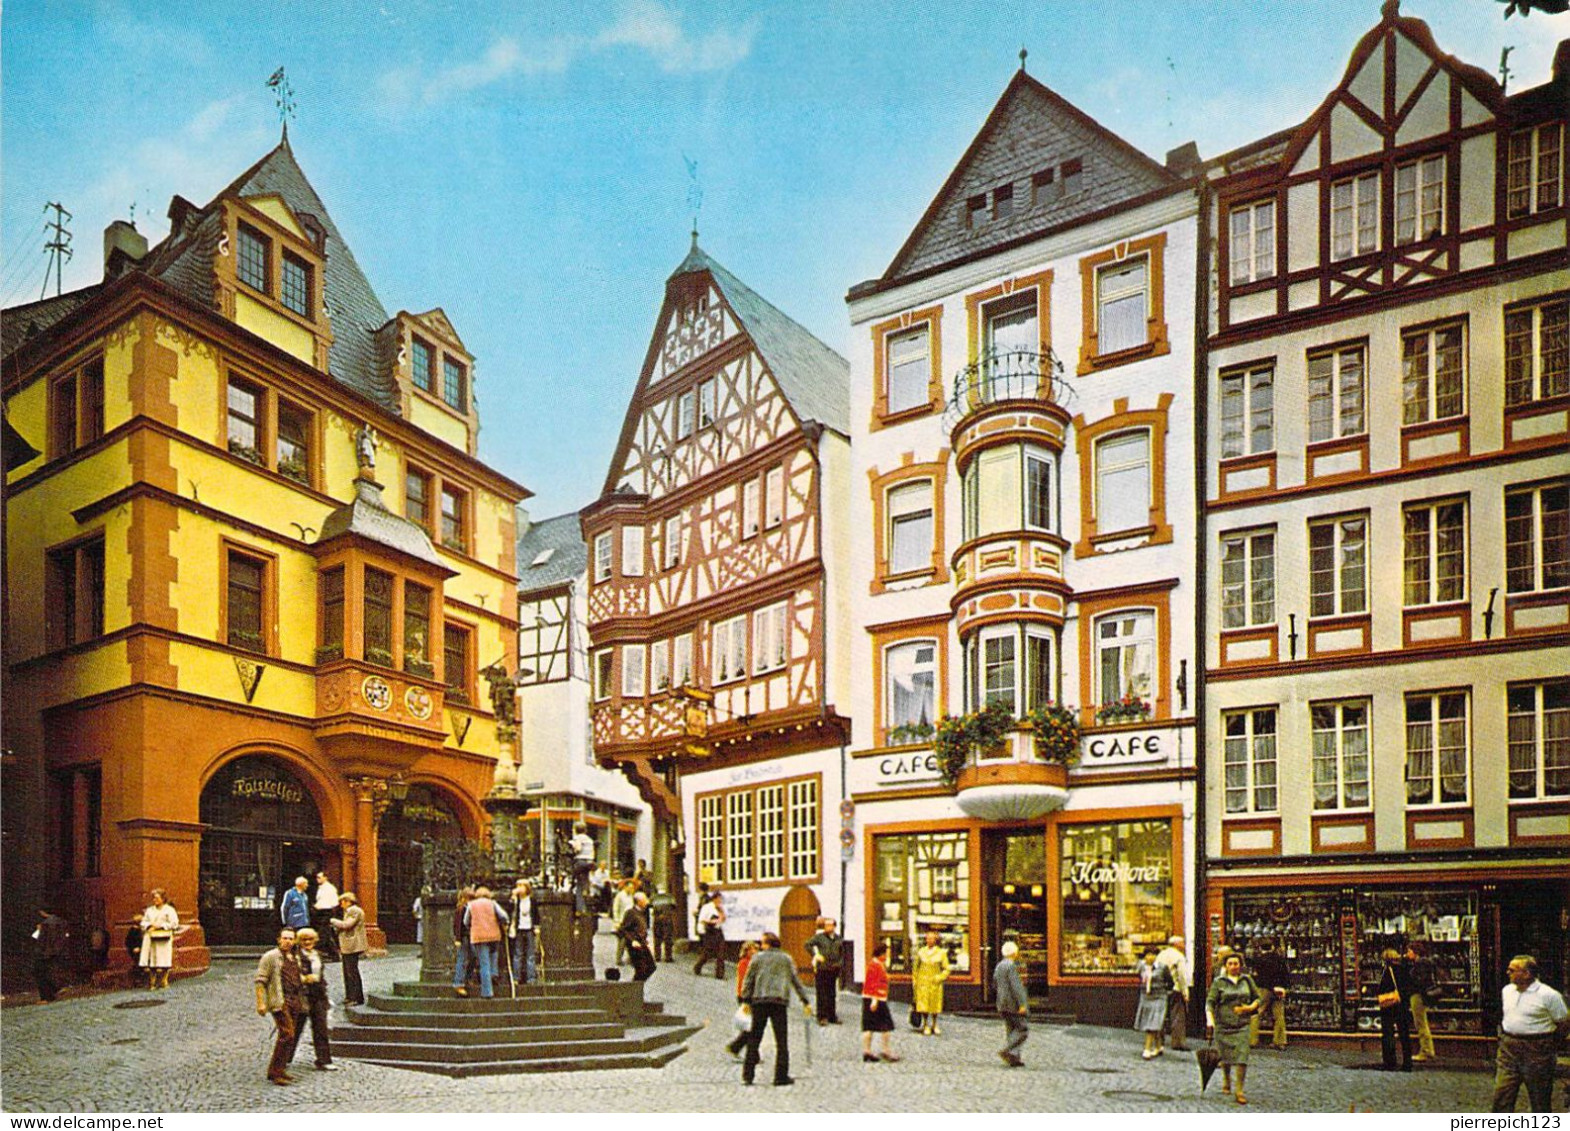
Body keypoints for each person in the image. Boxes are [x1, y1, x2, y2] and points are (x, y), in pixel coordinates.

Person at [1492, 954, 1569, 1113]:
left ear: (1527, 974)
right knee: (1502, 1095)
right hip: (1508, 1049)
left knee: (1539, 1099)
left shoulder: (1549, 995)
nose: (1508, 972)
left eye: (1512, 970)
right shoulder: (1507, 991)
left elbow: (1563, 1023)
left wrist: (1549, 1045)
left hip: (1537, 1050)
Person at [740, 931, 812, 1086]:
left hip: (759, 1001)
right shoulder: (786, 959)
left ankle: (748, 1074)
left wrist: (745, 999)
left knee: (755, 1038)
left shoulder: (757, 958)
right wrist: (805, 1000)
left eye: (762, 943)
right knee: (781, 1040)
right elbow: (795, 980)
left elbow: (748, 979)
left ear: (767, 944)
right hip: (779, 1002)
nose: (760, 946)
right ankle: (780, 1076)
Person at [1206, 951, 1263, 1104]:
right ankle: (1226, 1080)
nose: (1233, 966)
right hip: (1223, 1024)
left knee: (1242, 1057)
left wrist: (1249, 1008)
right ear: (1225, 966)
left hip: (1242, 1025)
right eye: (1230, 964)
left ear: (1240, 965)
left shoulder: (1247, 980)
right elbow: (1210, 1002)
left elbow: (1258, 998)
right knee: (1225, 1056)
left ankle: (1239, 1090)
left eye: (1236, 963)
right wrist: (1209, 1020)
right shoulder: (1219, 982)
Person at [254, 928, 308, 1086]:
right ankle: (275, 1071)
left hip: (294, 1001)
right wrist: (261, 1002)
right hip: (279, 1001)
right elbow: (260, 980)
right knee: (287, 1034)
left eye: (291, 939)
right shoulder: (270, 957)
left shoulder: (294, 957)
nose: (288, 941)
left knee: (290, 1037)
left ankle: (280, 1069)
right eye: (285, 938)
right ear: (279, 939)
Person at [293, 929, 338, 1071]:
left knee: (321, 1027)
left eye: (310, 940)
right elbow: (292, 976)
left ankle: (323, 1060)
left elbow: (321, 974)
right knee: (295, 1027)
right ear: (299, 942)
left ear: (315, 940)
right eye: (304, 940)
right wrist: (305, 979)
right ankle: (285, 1057)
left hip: (318, 994)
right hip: (303, 994)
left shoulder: (317, 955)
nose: (307, 943)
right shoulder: (295, 957)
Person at [463, 885, 509, 998]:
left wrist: (472, 927)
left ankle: (487, 992)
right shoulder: (492, 903)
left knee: (484, 963)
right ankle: (494, 973)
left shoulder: (471, 905)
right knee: (494, 954)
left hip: (478, 936)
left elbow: (466, 921)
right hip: (494, 935)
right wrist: (504, 923)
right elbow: (503, 915)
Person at [860, 940, 899, 1063]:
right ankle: (886, 1050)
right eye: (885, 953)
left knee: (869, 1026)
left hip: (870, 997)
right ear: (881, 954)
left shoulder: (874, 964)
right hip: (877, 998)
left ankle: (867, 1051)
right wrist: (875, 1000)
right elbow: (874, 984)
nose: (887, 956)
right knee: (886, 1025)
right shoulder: (876, 965)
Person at [1377, 947, 1414, 1072]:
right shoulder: (1404, 969)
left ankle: (1390, 1061)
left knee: (1388, 1032)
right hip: (1402, 1004)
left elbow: (1383, 987)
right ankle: (1407, 1062)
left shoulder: (1388, 971)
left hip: (1389, 1005)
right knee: (1404, 1033)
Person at [1249, 938, 1290, 1050]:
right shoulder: (1280, 959)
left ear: (1261, 948)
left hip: (1263, 988)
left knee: (1257, 1013)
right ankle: (1280, 1041)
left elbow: (1259, 975)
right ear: (1272, 947)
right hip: (1278, 989)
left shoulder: (1258, 960)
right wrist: (1283, 987)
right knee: (1279, 1016)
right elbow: (1286, 974)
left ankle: (1252, 1040)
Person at [994, 939, 1029, 1067]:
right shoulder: (1011, 966)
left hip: (1002, 1002)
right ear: (1014, 952)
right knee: (1022, 1029)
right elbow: (1016, 987)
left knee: (1010, 1029)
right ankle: (1008, 1051)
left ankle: (1014, 1058)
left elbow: (995, 983)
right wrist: (1022, 1004)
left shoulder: (999, 966)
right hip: (1012, 1003)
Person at [330, 891, 367, 1006]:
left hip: (352, 945)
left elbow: (347, 925)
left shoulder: (354, 910)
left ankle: (356, 997)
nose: (341, 905)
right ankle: (350, 996)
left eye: (342, 902)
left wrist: (333, 921)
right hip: (348, 945)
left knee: (352, 972)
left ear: (348, 901)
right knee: (347, 971)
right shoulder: (349, 911)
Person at [138, 889, 180, 990]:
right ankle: (152, 982)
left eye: (157, 898)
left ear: (163, 898)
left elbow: (174, 923)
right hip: (151, 938)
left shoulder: (169, 910)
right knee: (152, 960)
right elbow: (143, 922)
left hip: (163, 938)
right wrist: (149, 925)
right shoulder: (150, 910)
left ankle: (164, 980)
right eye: (153, 898)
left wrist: (160, 926)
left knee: (164, 959)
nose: (155, 900)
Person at [804, 917, 843, 1026]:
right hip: (822, 969)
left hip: (833, 969)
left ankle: (832, 1016)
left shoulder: (839, 938)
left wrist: (839, 964)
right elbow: (807, 944)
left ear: (834, 926)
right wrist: (815, 955)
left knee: (832, 993)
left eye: (830, 925)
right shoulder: (819, 937)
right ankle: (822, 1016)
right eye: (826, 926)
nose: (828, 927)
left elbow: (842, 952)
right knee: (821, 993)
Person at [1155, 934, 1191, 1050]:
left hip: (1161, 988)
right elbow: (1182, 975)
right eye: (1182, 943)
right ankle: (1178, 1042)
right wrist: (1185, 991)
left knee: (1161, 1014)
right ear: (1177, 944)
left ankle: (1159, 1040)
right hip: (1175, 988)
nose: (1184, 945)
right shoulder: (1179, 957)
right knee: (1177, 1015)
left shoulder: (1161, 955)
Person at [912, 929, 950, 1036]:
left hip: (935, 983)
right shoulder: (921, 952)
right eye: (927, 938)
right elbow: (915, 968)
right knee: (923, 1004)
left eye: (932, 938)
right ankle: (925, 1024)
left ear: (936, 940)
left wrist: (939, 977)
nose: (929, 940)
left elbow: (947, 968)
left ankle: (935, 1024)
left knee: (935, 1004)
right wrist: (915, 981)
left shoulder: (941, 953)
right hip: (923, 982)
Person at [1135, 947, 1172, 1059]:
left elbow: (1169, 981)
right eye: (1148, 955)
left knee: (1153, 1022)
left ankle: (1147, 1048)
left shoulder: (1162, 967)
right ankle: (1158, 1046)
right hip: (1146, 997)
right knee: (1152, 1022)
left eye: (1153, 955)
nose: (1150, 957)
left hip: (1159, 997)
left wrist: (1166, 991)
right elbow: (1138, 978)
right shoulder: (1141, 966)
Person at [726, 941, 761, 1060]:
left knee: (753, 1026)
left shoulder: (754, 963)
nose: (755, 952)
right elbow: (745, 981)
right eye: (752, 950)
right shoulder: (744, 963)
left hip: (753, 996)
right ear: (747, 951)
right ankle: (735, 1047)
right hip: (746, 997)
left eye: (756, 949)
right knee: (751, 1026)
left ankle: (753, 1054)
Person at [1405, 941, 1438, 1062]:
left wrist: (1410, 981)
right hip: (1420, 994)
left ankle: (1426, 1051)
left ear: (1415, 952)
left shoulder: (1420, 963)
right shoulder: (1423, 962)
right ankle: (1427, 1050)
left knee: (1420, 1023)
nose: (1407, 954)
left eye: (1409, 951)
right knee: (1422, 1022)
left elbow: (1420, 980)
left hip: (1418, 995)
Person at [617, 891, 656, 982]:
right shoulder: (631, 912)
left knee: (651, 967)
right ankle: (635, 987)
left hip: (642, 943)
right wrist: (632, 940)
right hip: (634, 944)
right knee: (641, 968)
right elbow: (623, 929)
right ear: (639, 901)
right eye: (645, 899)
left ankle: (636, 985)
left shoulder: (642, 912)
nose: (647, 902)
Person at [32, 910, 70, 1002]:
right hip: (56, 952)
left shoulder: (46, 924)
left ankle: (47, 996)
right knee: (48, 972)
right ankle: (55, 989)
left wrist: (38, 931)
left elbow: (41, 939)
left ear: (42, 912)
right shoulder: (61, 922)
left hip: (45, 952)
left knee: (40, 973)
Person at [508, 879, 536, 985]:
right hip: (519, 928)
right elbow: (510, 910)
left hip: (529, 928)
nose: (519, 888)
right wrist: (513, 898)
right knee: (518, 953)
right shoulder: (516, 900)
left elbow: (535, 914)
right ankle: (516, 977)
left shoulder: (532, 900)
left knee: (530, 954)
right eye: (517, 885)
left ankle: (531, 978)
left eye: (521, 885)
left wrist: (537, 927)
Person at [694, 891, 726, 979]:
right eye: (719, 899)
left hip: (718, 930)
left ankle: (720, 973)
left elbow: (723, 919)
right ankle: (698, 966)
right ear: (714, 899)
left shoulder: (720, 908)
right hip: (709, 931)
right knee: (708, 952)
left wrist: (722, 913)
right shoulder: (707, 907)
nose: (720, 901)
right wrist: (712, 922)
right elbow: (702, 920)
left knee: (721, 952)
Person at [451, 885, 476, 996]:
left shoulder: (468, 907)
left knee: (473, 957)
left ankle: (467, 978)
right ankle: (458, 983)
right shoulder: (461, 909)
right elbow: (457, 925)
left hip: (471, 936)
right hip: (465, 937)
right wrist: (458, 938)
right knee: (462, 959)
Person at [312, 871, 340, 961]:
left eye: (319, 877)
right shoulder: (321, 888)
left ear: (325, 878)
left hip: (326, 912)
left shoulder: (330, 888)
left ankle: (319, 953)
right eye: (317, 877)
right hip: (320, 912)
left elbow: (334, 902)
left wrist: (329, 910)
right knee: (326, 933)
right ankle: (334, 955)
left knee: (323, 933)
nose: (317, 879)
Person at [569, 823, 596, 913]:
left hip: (580, 861)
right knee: (584, 881)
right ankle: (587, 902)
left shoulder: (578, 838)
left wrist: (573, 847)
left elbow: (578, 849)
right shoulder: (589, 839)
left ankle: (579, 908)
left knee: (577, 883)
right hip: (589, 862)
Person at [611, 880, 637, 965]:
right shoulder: (620, 896)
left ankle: (631, 959)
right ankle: (619, 959)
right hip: (622, 921)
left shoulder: (631, 896)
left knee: (631, 940)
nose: (631, 889)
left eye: (632, 888)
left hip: (630, 921)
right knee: (622, 941)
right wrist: (617, 921)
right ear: (625, 887)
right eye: (630, 888)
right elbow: (615, 908)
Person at [651, 892, 676, 963]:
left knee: (657, 939)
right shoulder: (670, 897)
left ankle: (657, 956)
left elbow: (650, 906)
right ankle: (668, 957)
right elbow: (674, 907)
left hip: (657, 919)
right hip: (667, 919)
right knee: (668, 938)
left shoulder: (654, 897)